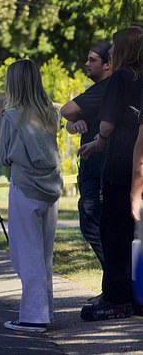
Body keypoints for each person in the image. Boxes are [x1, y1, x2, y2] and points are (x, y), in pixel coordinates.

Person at [80, 26, 143, 321]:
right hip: (136, 160)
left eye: (115, 47)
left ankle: (116, 296)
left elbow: (107, 125)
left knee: (113, 231)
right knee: (134, 233)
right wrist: (97, 142)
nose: (112, 53)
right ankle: (134, 292)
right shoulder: (140, 76)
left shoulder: (120, 78)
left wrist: (100, 136)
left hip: (119, 163)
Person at [0, 59, 62, 333]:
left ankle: (34, 316)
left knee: (27, 253)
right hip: (51, 188)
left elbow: (3, 156)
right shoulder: (51, 113)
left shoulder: (12, 116)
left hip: (25, 186)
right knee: (44, 254)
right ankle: (45, 309)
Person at [60, 42, 112, 271]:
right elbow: (70, 122)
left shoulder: (106, 88)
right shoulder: (97, 91)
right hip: (91, 166)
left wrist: (72, 117)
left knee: (93, 220)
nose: (87, 64)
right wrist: (74, 124)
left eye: (93, 60)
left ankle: (115, 284)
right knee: (92, 222)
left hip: (101, 168)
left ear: (108, 64)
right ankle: (112, 285)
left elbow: (66, 109)